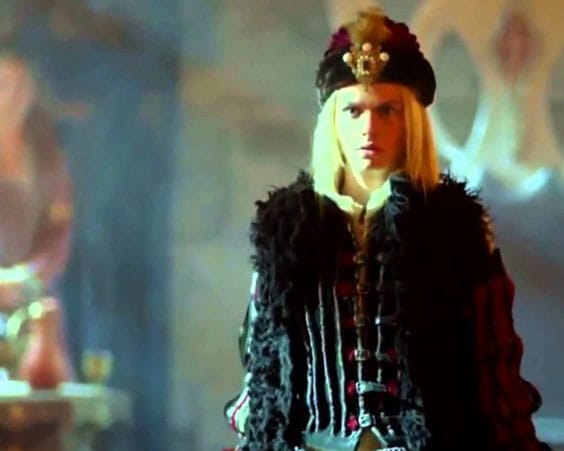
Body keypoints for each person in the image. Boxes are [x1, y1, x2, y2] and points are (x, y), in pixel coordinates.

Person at [223, 7, 548, 451]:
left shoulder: (456, 228)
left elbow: (495, 374)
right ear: (333, 121)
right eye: (353, 110)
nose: (370, 127)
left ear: (410, 121)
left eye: (387, 110)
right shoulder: (288, 230)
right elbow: (263, 372)